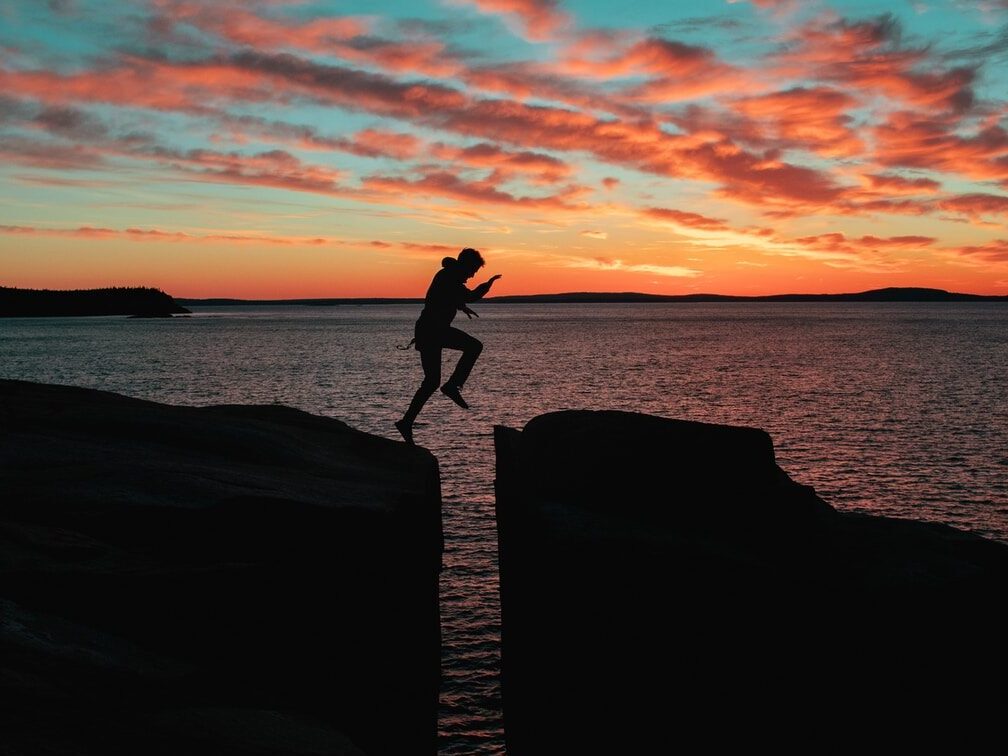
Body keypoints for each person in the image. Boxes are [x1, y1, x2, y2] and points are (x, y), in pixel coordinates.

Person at [396, 248, 501, 445]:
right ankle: (452, 386)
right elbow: (468, 295)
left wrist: (462, 307)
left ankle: (406, 421)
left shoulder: (449, 276)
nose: (471, 275)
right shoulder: (451, 276)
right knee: (474, 347)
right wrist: (488, 284)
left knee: (431, 381)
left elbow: (448, 297)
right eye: (473, 271)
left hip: (430, 331)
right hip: (433, 331)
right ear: (466, 265)